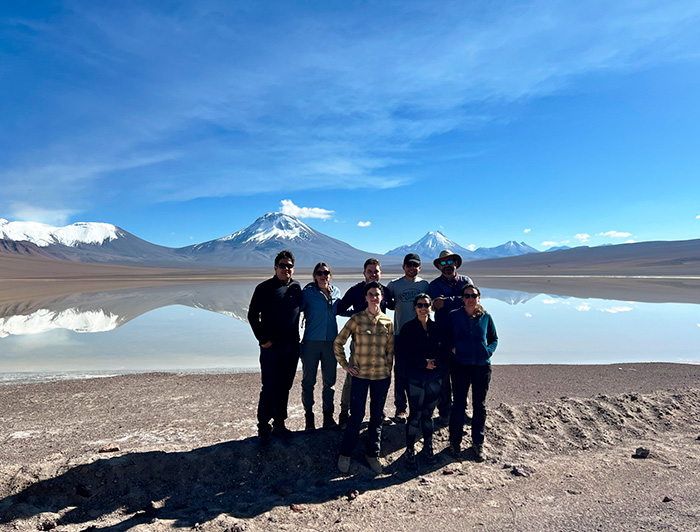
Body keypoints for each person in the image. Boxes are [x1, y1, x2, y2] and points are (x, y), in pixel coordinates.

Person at [334, 281, 394, 475]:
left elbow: (390, 350)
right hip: (360, 376)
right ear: (366, 297)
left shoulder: (387, 321)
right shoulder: (357, 319)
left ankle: (372, 454)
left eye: (377, 294)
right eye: (370, 294)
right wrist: (345, 365)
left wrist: (388, 370)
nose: (374, 297)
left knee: (376, 417)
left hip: (381, 377)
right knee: (357, 415)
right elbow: (338, 342)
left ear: (382, 298)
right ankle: (345, 454)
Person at [247, 250, 302, 446]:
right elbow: (252, 316)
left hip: (291, 347)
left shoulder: (297, 287)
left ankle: (280, 423)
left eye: (289, 266)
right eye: (282, 265)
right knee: (269, 386)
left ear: (293, 268)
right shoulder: (264, 288)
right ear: (275, 267)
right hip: (271, 348)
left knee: (285, 386)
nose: (286, 269)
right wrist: (263, 340)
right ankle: (263, 427)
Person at [443, 284, 498, 462]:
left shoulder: (486, 316)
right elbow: (446, 337)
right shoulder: (454, 316)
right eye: (467, 295)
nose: (470, 298)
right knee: (458, 404)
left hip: (482, 366)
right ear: (462, 298)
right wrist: (453, 349)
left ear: (479, 298)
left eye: (473, 295)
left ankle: (478, 442)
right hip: (460, 366)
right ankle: (455, 441)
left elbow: (494, 338)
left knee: (479, 405)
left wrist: (488, 351)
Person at [335, 258, 388, 428]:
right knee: (353, 376)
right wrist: (355, 316)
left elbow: (393, 307)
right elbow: (340, 308)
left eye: (376, 271)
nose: (373, 274)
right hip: (360, 343)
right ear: (364, 272)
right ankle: (345, 412)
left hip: (381, 343)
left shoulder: (384, 291)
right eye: (370, 271)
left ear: (380, 273)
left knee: (379, 377)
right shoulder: (356, 290)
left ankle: (379, 412)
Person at [428, 250, 474, 425]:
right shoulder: (434, 285)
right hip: (443, 336)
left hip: (464, 335)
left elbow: (470, 300)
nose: (447, 266)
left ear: (456, 263)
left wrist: (447, 301)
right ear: (440, 266)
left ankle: (462, 410)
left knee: (464, 374)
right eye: (444, 264)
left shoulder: (466, 281)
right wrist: (459, 299)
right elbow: (435, 304)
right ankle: (445, 412)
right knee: (444, 375)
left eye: (450, 262)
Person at [399, 293, 443, 469]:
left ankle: (428, 446)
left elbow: (445, 350)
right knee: (415, 413)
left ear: (431, 307)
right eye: (420, 305)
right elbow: (403, 354)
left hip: (434, 377)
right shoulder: (408, 328)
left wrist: (436, 364)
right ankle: (410, 449)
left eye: (426, 305)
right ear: (415, 308)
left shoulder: (437, 328)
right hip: (415, 377)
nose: (423, 308)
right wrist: (423, 363)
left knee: (428, 414)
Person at [384, 253, 429, 421]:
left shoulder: (425, 285)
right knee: (401, 372)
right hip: (400, 335)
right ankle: (401, 408)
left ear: (419, 267)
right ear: (403, 267)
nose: (412, 268)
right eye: (409, 264)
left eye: (415, 265)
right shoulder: (394, 285)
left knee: (420, 370)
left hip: (421, 335)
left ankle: (418, 407)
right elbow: (385, 305)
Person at [300, 262, 341, 431]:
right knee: (308, 381)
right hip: (311, 342)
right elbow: (293, 312)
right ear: (315, 276)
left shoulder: (336, 292)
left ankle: (328, 417)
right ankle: (309, 418)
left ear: (330, 275)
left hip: (331, 342)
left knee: (329, 382)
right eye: (319, 273)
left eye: (326, 273)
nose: (323, 276)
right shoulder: (307, 294)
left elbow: (342, 309)